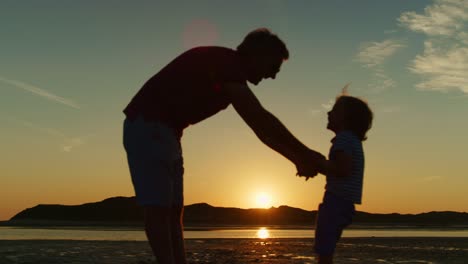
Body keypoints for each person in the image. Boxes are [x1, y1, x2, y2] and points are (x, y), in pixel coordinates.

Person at [122, 28, 324, 264]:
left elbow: (262, 130)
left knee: (174, 211)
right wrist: (305, 153)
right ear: (260, 55)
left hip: (168, 133)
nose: (273, 76)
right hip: (150, 126)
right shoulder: (227, 64)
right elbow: (260, 119)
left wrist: (298, 158)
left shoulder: (230, 72)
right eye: (274, 67)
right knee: (159, 210)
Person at [304, 94, 373, 264]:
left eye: (334, 111)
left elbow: (342, 169)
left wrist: (317, 163)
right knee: (326, 247)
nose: (328, 113)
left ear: (347, 118)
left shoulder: (345, 139)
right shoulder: (351, 140)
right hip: (343, 203)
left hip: (337, 201)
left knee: (324, 248)